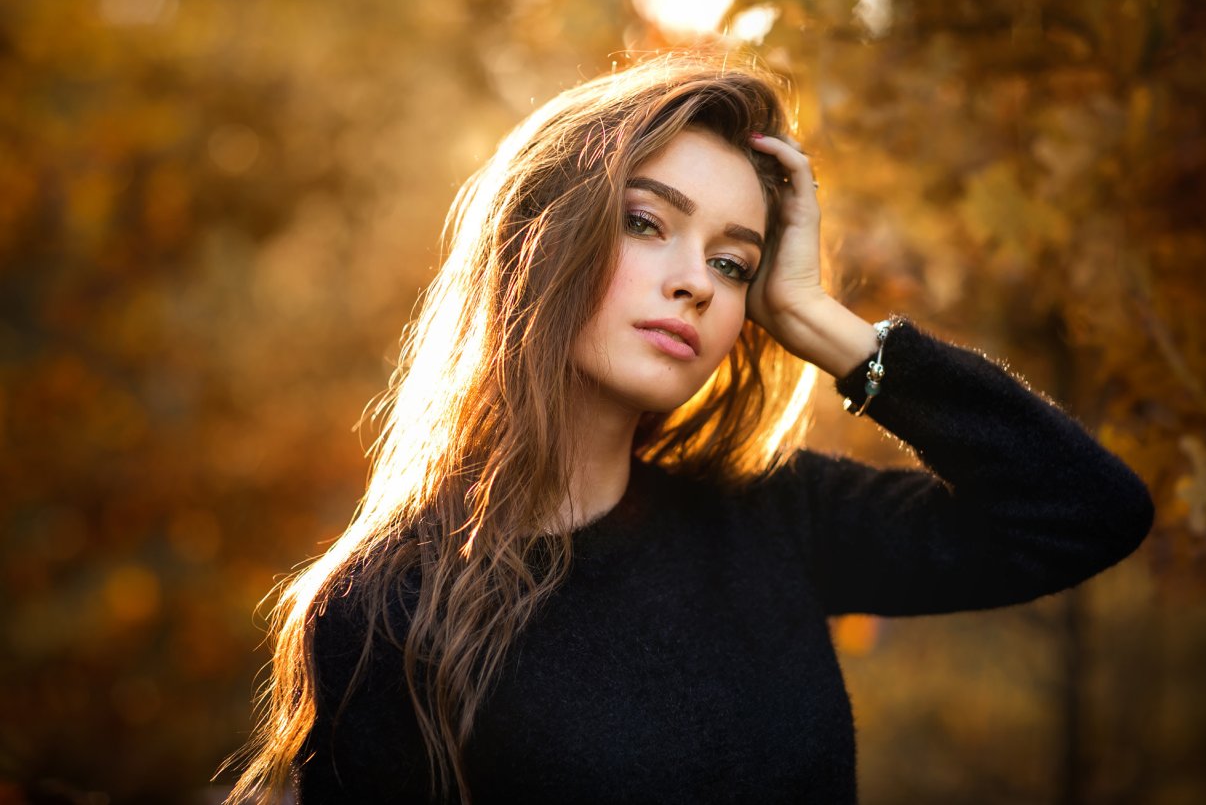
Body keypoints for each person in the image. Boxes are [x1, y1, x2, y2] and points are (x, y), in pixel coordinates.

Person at [222, 51, 1155, 804]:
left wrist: (820, 321)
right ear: (538, 237)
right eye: (645, 223)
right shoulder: (385, 606)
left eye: (733, 261)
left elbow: (1085, 510)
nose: (697, 281)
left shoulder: (774, 520)